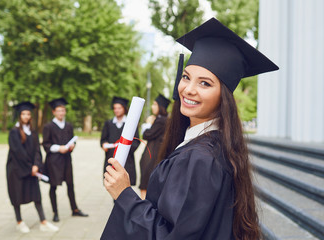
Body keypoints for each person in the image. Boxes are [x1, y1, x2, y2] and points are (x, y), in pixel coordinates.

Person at [101, 17, 279, 240]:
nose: (188, 89)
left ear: (223, 96)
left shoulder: (200, 159)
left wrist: (124, 194)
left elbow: (173, 235)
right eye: (186, 77)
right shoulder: (216, 145)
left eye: (205, 83)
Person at [6, 101, 59, 233]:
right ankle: (19, 221)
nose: (26, 116)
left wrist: (36, 165)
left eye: (28, 114)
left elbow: (37, 150)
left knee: (36, 195)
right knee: (17, 196)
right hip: (17, 170)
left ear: (30, 116)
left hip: (31, 169)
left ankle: (43, 221)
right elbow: (18, 153)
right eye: (23, 114)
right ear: (20, 115)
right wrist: (31, 167)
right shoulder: (14, 132)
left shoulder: (33, 132)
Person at [42, 98, 88, 222]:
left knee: (70, 184)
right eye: (58, 111)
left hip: (67, 159)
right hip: (54, 160)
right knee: (53, 186)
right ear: (54, 112)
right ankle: (55, 212)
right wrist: (58, 148)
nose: (61, 113)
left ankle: (75, 209)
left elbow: (73, 140)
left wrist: (72, 146)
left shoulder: (68, 126)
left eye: (63, 110)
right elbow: (45, 144)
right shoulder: (48, 126)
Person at [100, 96, 140, 186]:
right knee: (112, 184)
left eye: (119, 108)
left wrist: (124, 148)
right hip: (111, 158)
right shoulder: (108, 124)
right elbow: (103, 139)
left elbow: (136, 141)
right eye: (115, 108)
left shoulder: (131, 124)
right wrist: (104, 145)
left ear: (124, 109)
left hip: (127, 160)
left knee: (125, 186)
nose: (116, 110)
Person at [139, 94, 170, 199]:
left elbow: (146, 134)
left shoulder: (161, 120)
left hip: (152, 158)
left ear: (161, 107)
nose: (152, 106)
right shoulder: (163, 119)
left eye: (155, 104)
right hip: (153, 156)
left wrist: (148, 123)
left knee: (145, 186)